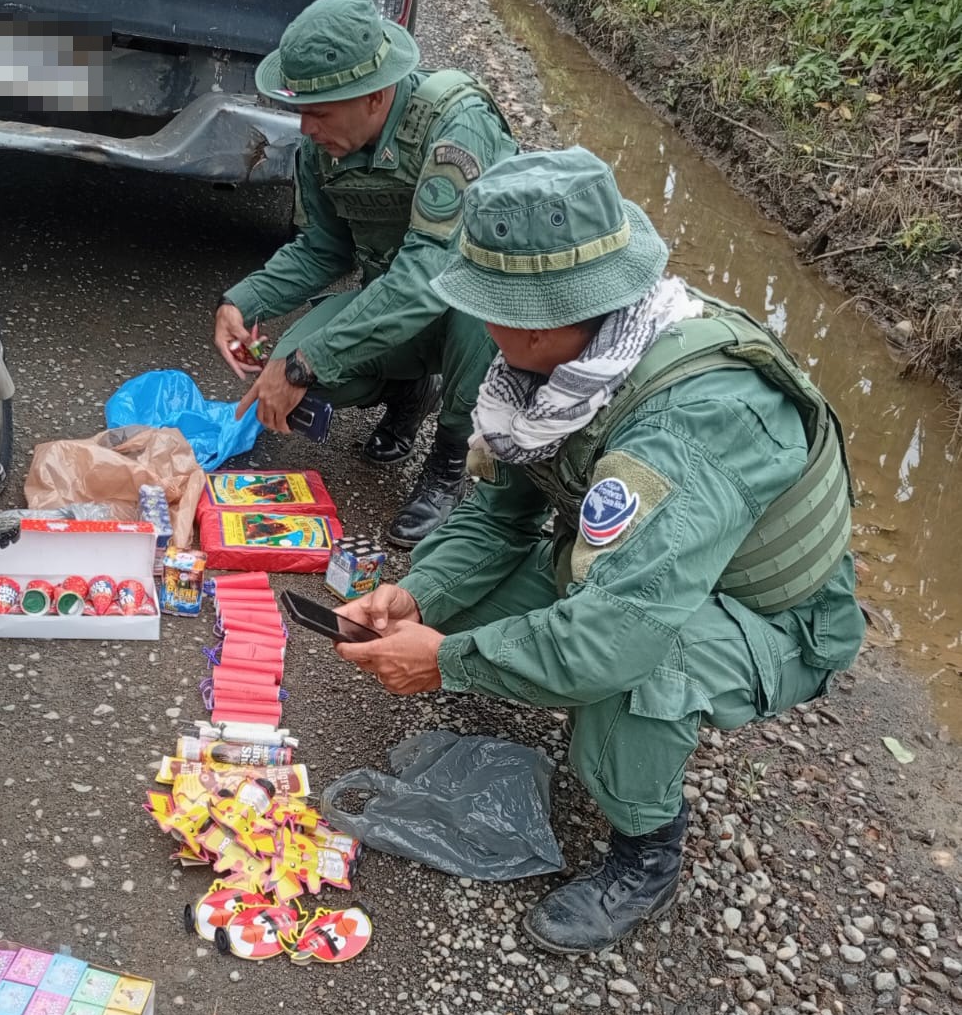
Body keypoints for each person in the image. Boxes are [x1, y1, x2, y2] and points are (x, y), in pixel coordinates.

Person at [335, 148, 865, 955]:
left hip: (773, 620)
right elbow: (499, 513)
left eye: (486, 307)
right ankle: (536, 679)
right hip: (663, 570)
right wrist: (422, 600)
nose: (478, 324)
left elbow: (618, 636)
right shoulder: (551, 374)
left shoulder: (694, 417)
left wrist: (449, 662)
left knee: (639, 672)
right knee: (462, 606)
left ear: (540, 319)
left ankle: (646, 850)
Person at [214, 0, 516, 548]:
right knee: (289, 377)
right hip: (403, 306)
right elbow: (324, 248)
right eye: (300, 109)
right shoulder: (322, 147)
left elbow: (428, 277)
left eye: (319, 112)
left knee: (474, 308)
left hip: (491, 317)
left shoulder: (455, 128)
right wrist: (242, 302)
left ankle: (450, 460)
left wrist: (306, 362)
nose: (305, 128)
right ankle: (410, 392)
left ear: (375, 97)